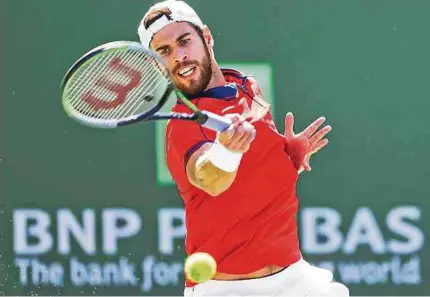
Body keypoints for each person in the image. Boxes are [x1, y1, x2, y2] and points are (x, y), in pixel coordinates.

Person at [138, 1, 349, 296]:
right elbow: (209, 180)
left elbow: (254, 178)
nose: (180, 56)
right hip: (225, 290)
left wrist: (289, 157)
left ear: (206, 38)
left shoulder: (246, 86)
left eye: (184, 41)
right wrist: (226, 151)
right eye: (164, 51)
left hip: (295, 279)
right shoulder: (182, 126)